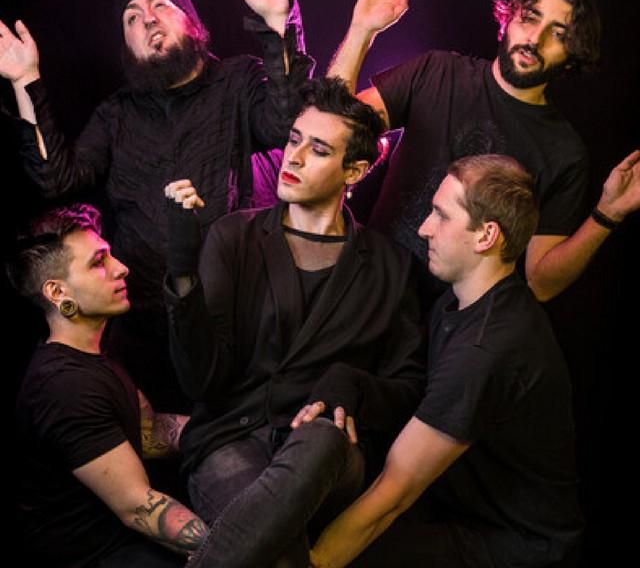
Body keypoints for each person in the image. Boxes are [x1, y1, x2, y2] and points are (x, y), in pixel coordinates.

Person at [0, 0, 314, 412]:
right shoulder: (116, 114)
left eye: (160, 5)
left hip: (239, 315)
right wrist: (26, 81)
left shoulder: (237, 80)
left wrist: (278, 25)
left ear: (191, 21)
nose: (147, 19)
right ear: (126, 44)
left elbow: (289, 120)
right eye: (132, 17)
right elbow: (55, 179)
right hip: (147, 330)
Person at [163, 77, 425, 567]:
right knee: (280, 558)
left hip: (330, 458)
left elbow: (409, 387)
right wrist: (182, 273)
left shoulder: (392, 266)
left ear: (356, 170)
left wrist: (354, 386)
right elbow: (200, 380)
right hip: (232, 440)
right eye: (294, 139)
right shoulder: (233, 236)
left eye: (319, 150)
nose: (295, 158)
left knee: (323, 436)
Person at [309, 154, 584, 568]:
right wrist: (350, 384)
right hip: (455, 509)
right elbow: (427, 401)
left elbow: (393, 494)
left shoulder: (486, 349)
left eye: (441, 215)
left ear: (486, 235)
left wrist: (311, 563)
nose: (424, 228)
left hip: (513, 545)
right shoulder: (461, 303)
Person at [328, 0, 640, 303]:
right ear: (507, 21)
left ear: (571, 57)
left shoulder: (563, 152)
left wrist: (607, 214)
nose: (535, 39)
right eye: (530, 18)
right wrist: (361, 31)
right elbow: (333, 128)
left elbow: (540, 283)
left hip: (450, 327)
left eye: (558, 34)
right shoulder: (437, 72)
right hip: (363, 291)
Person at [8, 203, 209, 568]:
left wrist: (234, 429)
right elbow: (138, 507)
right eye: (99, 262)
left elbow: (148, 433)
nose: (121, 268)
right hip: (98, 556)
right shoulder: (65, 386)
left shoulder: (94, 356)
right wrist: (241, 545)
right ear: (58, 292)